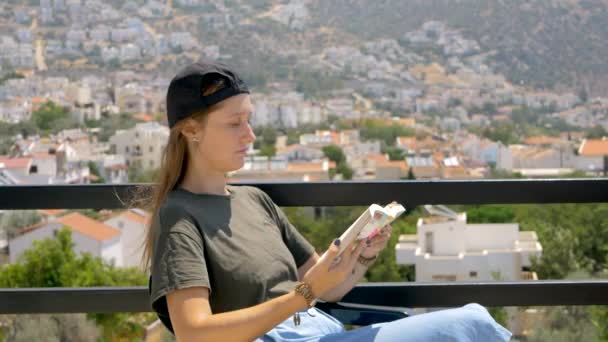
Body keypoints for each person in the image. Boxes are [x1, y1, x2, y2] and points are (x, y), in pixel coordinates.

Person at [143, 60, 512, 341]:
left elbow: (328, 286)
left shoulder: (254, 200)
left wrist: (362, 254)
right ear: (190, 129)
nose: (251, 135)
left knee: (469, 323)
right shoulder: (179, 215)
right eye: (235, 123)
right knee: (472, 322)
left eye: (250, 121)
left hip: (322, 329)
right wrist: (303, 295)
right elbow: (194, 332)